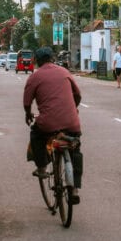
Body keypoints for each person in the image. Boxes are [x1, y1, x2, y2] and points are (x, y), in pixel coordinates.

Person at [24, 46, 83, 203]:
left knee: (36, 135)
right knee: (75, 149)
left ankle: (42, 167)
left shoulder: (34, 77)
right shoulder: (65, 72)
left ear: (37, 61)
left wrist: (28, 114)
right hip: (72, 123)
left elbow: (27, 102)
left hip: (48, 124)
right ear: (52, 58)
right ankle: (75, 188)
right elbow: (77, 95)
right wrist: (73, 109)